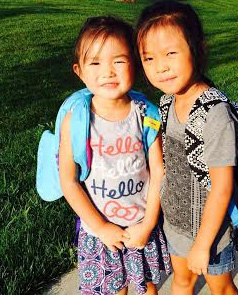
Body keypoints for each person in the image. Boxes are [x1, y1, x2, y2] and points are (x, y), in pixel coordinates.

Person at [58, 16, 172, 295]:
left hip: (140, 225)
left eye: (118, 61)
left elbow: (159, 171)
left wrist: (147, 224)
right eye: (95, 63)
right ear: (79, 70)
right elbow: (68, 181)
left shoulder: (146, 115)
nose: (107, 71)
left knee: (146, 287)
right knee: (113, 290)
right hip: (99, 231)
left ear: (134, 63)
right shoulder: (76, 120)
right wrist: (101, 227)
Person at [136, 1, 238, 295]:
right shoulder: (167, 101)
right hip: (176, 223)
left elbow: (222, 188)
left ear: (196, 48)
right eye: (149, 58)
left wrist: (203, 244)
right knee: (182, 281)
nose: (161, 67)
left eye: (171, 53)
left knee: (220, 287)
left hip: (210, 231)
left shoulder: (214, 113)